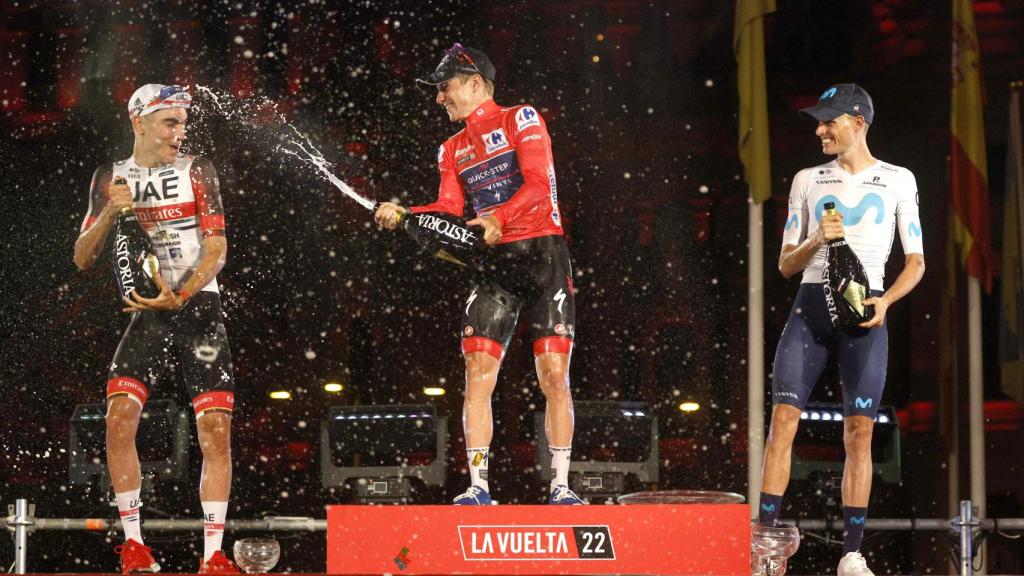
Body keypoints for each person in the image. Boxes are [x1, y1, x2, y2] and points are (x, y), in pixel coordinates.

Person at [375, 44, 583, 505]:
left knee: (553, 374)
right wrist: (404, 212)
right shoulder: (450, 148)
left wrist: (497, 218)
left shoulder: (521, 118)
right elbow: (448, 209)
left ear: (474, 83)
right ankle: (478, 487)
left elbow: (537, 183)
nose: (438, 99)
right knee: (477, 371)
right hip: (494, 265)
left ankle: (562, 486)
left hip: (543, 256)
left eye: (444, 87)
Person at [753, 84, 926, 576]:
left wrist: (886, 301)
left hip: (865, 312)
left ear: (858, 121)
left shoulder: (898, 180)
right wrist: (814, 241)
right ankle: (765, 549)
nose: (819, 129)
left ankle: (852, 553)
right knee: (782, 424)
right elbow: (786, 264)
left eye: (829, 120)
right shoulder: (808, 179)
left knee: (859, 433)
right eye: (818, 121)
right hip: (809, 310)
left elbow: (916, 262)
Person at [73, 84, 239, 573]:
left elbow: (217, 249)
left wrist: (181, 293)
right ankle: (134, 546)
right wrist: (110, 211)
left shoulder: (198, 170)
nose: (180, 132)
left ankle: (213, 556)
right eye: (170, 122)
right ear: (139, 122)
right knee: (118, 419)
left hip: (197, 306)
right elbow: (82, 257)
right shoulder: (111, 176)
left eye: (184, 123)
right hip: (147, 312)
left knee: (216, 431)